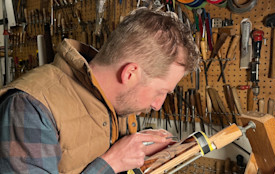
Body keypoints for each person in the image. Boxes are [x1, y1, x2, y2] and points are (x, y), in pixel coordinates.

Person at [0, 8, 200, 174]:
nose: (158, 105)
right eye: (161, 91)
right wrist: (112, 163)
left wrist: (140, 152)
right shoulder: (29, 107)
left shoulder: (118, 105)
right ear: (130, 74)